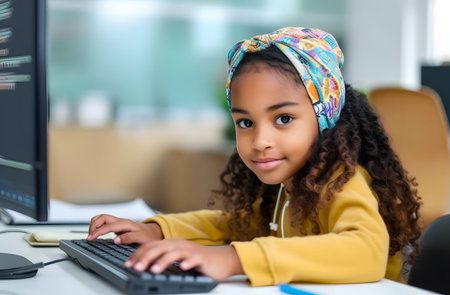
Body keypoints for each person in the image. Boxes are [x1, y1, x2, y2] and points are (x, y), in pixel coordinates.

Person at [87, 27, 422, 286]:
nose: (260, 141)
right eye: (245, 122)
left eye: (284, 119)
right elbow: (231, 224)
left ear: (325, 118)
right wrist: (159, 230)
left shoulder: (339, 181)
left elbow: (366, 251)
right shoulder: (288, 186)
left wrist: (234, 260)